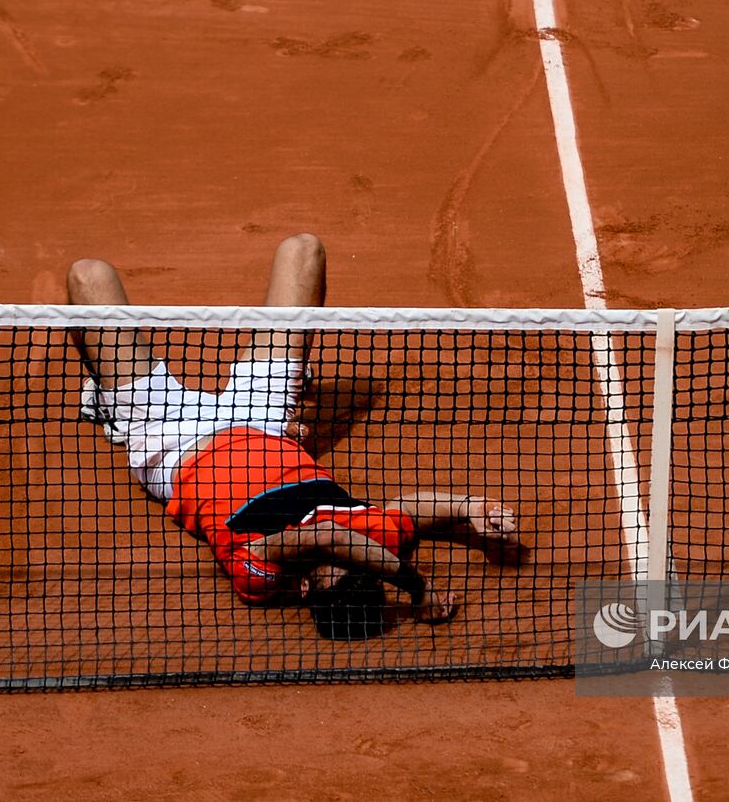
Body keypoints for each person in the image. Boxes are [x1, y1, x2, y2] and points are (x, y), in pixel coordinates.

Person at [67, 233, 519, 636]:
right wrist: (469, 507)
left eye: (337, 567)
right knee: (303, 250)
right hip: (263, 421)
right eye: (356, 562)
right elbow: (405, 513)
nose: (347, 554)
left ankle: (109, 404)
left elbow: (328, 538)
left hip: (172, 440)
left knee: (88, 276)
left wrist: (418, 591)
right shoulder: (368, 538)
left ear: (304, 587)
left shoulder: (258, 572)